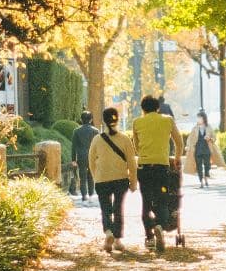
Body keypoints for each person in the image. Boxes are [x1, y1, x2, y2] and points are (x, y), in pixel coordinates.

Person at [132, 95, 184, 252]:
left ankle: (149, 237)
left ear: (143, 109)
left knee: (146, 202)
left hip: (145, 168)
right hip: (161, 167)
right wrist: (176, 158)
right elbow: (179, 141)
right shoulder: (167, 120)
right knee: (162, 199)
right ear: (157, 108)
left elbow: (136, 146)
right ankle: (160, 226)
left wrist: (145, 155)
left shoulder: (137, 122)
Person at [88, 107, 137, 253]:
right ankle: (117, 240)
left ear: (104, 120)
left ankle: (108, 232)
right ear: (116, 119)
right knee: (118, 208)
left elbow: (91, 160)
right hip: (120, 178)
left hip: (102, 179)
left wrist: (96, 176)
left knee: (105, 208)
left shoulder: (97, 139)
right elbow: (132, 163)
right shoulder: (125, 139)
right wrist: (133, 182)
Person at [184, 110, 225, 188]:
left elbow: (214, 137)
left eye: (200, 117)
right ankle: (201, 182)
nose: (198, 119)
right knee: (199, 166)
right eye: (198, 118)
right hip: (197, 150)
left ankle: (206, 177)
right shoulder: (195, 128)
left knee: (207, 165)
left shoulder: (209, 127)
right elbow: (190, 139)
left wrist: (209, 138)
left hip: (207, 149)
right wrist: (188, 146)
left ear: (204, 118)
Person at [71, 110, 98, 204]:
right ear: (91, 120)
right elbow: (98, 146)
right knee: (91, 177)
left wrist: (73, 159)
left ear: (81, 119)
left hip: (81, 157)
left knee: (82, 177)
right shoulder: (95, 131)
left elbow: (73, 146)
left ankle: (84, 197)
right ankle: (91, 196)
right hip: (92, 156)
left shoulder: (77, 131)